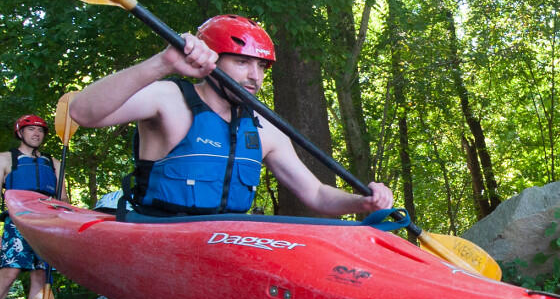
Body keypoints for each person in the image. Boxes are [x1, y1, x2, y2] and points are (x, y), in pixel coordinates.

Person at [67, 14, 393, 219]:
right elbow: (82, 112)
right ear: (210, 61)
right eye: (241, 62)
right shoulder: (170, 99)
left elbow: (317, 195)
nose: (255, 77)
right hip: (159, 234)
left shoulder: (266, 129)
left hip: (226, 244)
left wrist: (362, 203)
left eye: (262, 66)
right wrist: (162, 64)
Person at [0, 114, 60, 299]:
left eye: (41, 130)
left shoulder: (54, 163)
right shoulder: (3, 159)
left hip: (47, 223)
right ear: (20, 132)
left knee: (40, 276)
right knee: (9, 273)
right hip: (18, 222)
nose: (37, 133)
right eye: (31, 129)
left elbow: (63, 200)